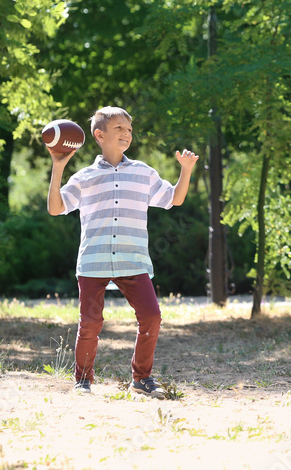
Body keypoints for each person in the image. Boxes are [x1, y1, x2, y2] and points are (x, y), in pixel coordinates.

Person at [47, 106, 199, 397]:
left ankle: (141, 379)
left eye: (129, 129)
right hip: (94, 262)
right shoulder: (84, 177)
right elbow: (56, 208)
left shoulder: (144, 173)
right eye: (119, 128)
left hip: (134, 260)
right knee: (90, 323)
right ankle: (83, 380)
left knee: (152, 316)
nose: (127, 134)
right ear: (99, 135)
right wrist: (58, 167)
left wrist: (186, 170)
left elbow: (174, 199)